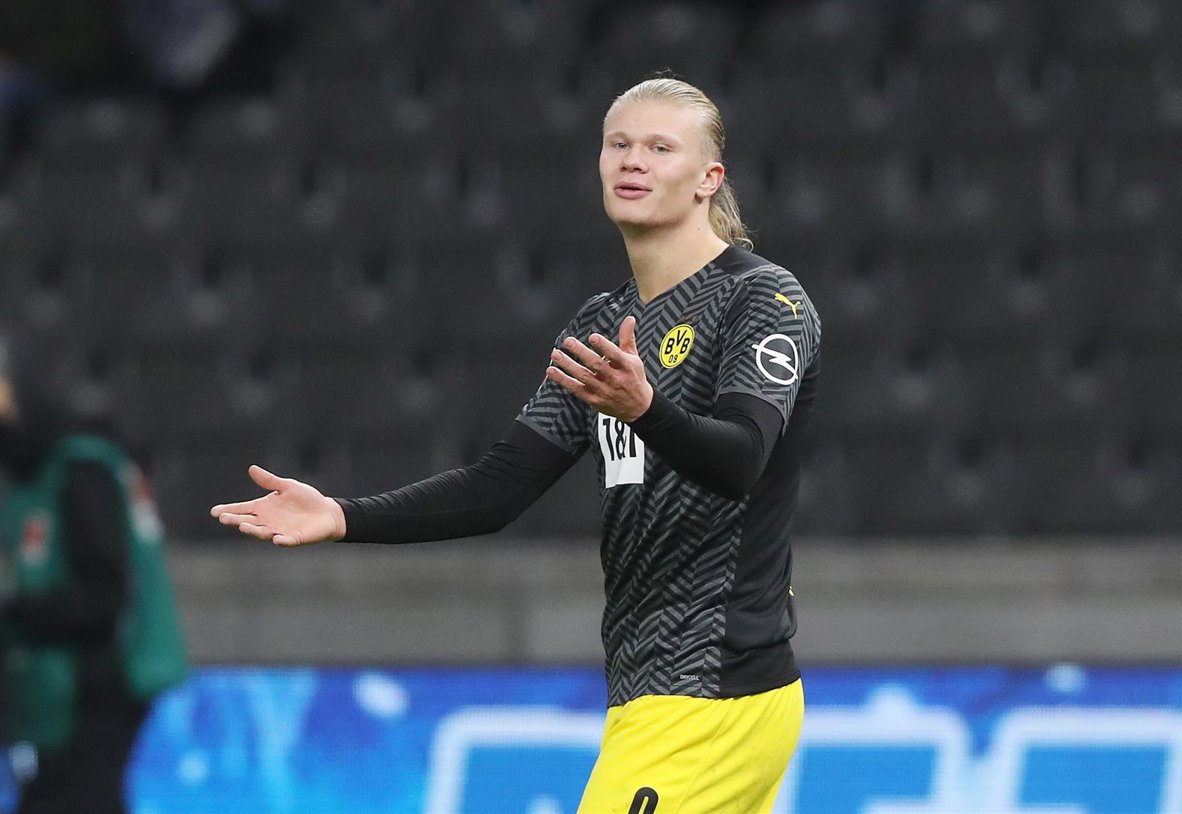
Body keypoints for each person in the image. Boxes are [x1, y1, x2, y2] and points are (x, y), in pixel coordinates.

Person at [212, 76, 821, 813]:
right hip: (650, 693)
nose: (633, 160)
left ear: (708, 179)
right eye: (619, 144)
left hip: (713, 689)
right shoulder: (602, 323)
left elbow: (742, 459)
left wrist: (646, 408)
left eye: (661, 148)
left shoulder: (763, 299)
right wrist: (343, 514)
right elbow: (499, 487)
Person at [0, 336, 188, 814]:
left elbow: (104, 595)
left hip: (99, 684)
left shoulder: (80, 469)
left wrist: (15, 613)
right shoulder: (43, 472)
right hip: (73, 688)